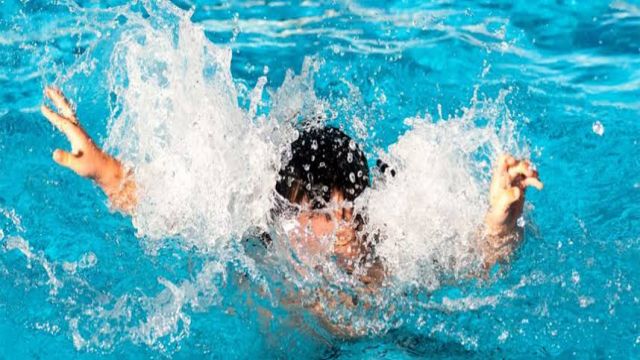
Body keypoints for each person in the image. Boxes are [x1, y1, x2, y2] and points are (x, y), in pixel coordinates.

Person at [40, 85, 543, 292]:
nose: (309, 228)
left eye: (329, 212)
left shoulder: (388, 248)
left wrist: (502, 215)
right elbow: (169, 207)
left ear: (358, 212)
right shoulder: (262, 228)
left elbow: (477, 264)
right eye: (300, 210)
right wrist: (104, 168)